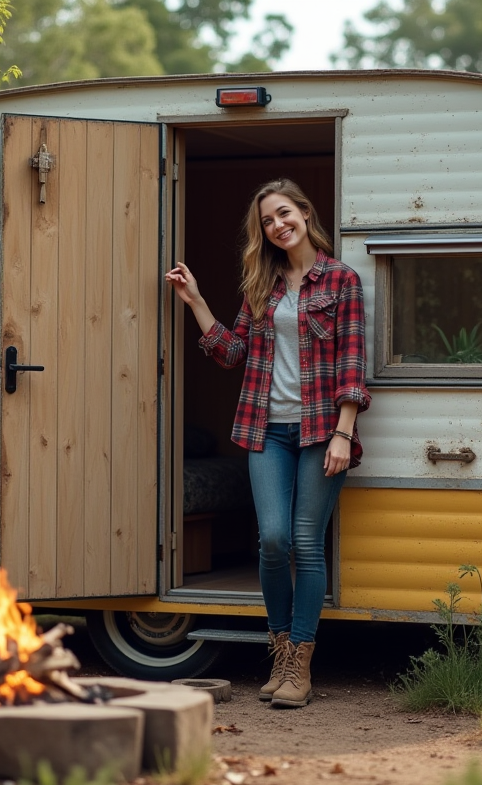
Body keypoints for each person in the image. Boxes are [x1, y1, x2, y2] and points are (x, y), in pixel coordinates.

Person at [165, 178, 370, 709]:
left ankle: (300, 664)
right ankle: (279, 652)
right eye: (268, 221)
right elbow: (232, 353)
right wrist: (196, 301)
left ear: (305, 213)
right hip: (266, 429)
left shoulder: (341, 279)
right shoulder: (263, 284)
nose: (278, 226)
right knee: (273, 540)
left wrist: (344, 431)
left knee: (306, 542)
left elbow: (352, 363)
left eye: (284, 214)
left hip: (323, 431)